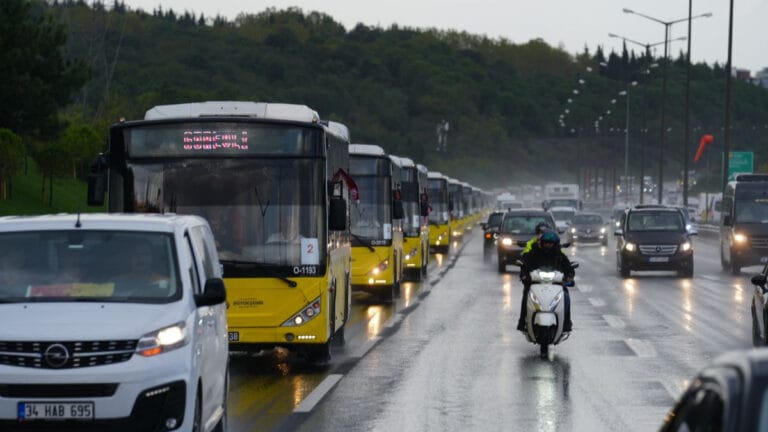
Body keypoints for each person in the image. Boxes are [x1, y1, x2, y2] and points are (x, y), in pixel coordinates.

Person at [517, 231, 575, 333]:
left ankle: (566, 324)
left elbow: (568, 268)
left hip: (555, 284)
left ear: (555, 244)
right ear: (542, 243)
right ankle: (522, 322)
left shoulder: (560, 256)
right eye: (546, 243)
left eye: (551, 243)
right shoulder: (534, 253)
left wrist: (569, 276)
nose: (548, 245)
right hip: (535, 283)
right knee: (526, 294)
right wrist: (524, 275)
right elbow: (525, 265)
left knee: (565, 295)